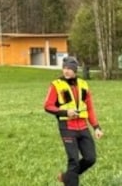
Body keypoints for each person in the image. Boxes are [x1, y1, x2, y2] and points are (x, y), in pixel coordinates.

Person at [44, 56, 104, 186]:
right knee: (74, 161)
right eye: (64, 68)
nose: (66, 71)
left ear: (75, 70)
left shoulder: (83, 84)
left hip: (83, 127)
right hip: (67, 127)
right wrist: (65, 112)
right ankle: (71, 182)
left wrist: (96, 127)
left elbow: (90, 108)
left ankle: (67, 177)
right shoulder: (56, 85)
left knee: (90, 158)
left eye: (69, 69)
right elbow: (48, 106)